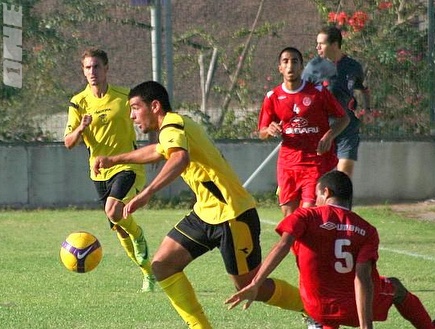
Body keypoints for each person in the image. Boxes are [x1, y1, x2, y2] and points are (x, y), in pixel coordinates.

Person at [93, 80, 304, 329]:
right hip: (206, 213)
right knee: (162, 265)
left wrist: (146, 193)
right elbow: (158, 152)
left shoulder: (172, 126)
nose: (132, 116)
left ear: (155, 106)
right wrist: (113, 160)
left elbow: (180, 158)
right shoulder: (174, 127)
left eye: (136, 108)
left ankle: (312, 308)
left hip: (232, 214)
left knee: (248, 286)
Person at [226, 170, 435, 329]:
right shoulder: (366, 229)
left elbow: (282, 245)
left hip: (315, 307)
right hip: (352, 308)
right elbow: (362, 278)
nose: (316, 200)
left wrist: (255, 283)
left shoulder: (305, 217)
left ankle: (318, 323)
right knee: (395, 287)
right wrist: (366, 326)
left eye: (317, 195)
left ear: (326, 192)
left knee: (321, 300)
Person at [64, 48, 155, 292]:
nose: (92, 72)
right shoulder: (78, 102)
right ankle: (147, 272)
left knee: (113, 210)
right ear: (83, 71)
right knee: (117, 225)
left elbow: (149, 119)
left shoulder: (124, 97)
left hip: (128, 165)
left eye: (96, 67)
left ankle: (139, 235)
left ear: (106, 68)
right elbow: (69, 142)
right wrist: (81, 129)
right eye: (87, 68)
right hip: (98, 172)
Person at [258, 46, 349, 216]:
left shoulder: (318, 93)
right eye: (285, 61)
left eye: (294, 61)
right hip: (287, 165)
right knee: (289, 217)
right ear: (280, 68)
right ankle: (293, 244)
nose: (290, 65)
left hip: (314, 163)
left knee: (307, 214)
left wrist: (329, 136)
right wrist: (269, 130)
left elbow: (344, 119)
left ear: (301, 67)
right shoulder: (273, 97)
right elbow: (262, 131)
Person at [302, 25, 371, 178]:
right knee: (319, 175)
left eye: (322, 44)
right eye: (317, 43)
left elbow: (363, 89)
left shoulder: (353, 67)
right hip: (322, 129)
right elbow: (300, 95)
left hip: (347, 126)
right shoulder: (312, 68)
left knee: (344, 172)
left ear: (334, 45)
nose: (317, 47)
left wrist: (367, 109)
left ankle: (341, 201)